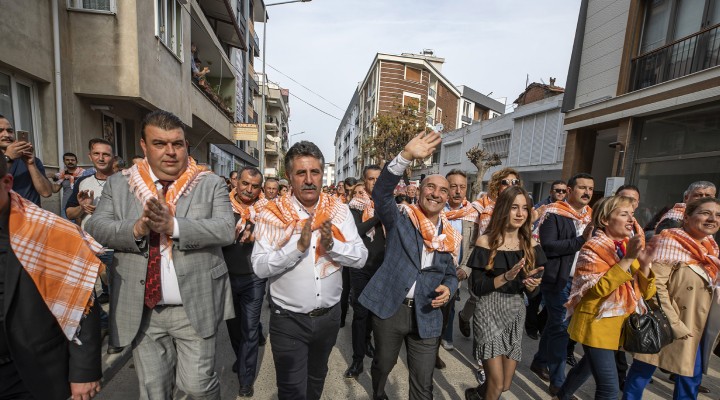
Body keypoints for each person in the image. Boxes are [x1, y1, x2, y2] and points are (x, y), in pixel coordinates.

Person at [85, 110, 235, 399]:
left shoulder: (208, 183)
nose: (170, 152)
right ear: (143, 146)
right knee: (154, 391)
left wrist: (173, 226)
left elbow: (226, 229)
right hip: (143, 310)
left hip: (195, 303)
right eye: (159, 143)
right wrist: (138, 228)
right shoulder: (121, 184)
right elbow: (97, 225)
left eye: (177, 144)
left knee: (197, 386)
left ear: (185, 146)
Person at [251, 140, 368, 400]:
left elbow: (360, 257)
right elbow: (259, 267)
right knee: (292, 390)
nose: (309, 180)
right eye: (301, 173)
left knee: (316, 381)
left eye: (314, 172)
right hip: (288, 320)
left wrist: (332, 245)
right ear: (289, 177)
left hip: (328, 319)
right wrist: (296, 248)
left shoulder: (338, 210)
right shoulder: (272, 213)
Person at [359, 131, 459, 400]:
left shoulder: (449, 236)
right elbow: (380, 193)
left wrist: (449, 289)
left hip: (427, 314)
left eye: (443, 190)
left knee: (423, 383)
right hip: (391, 309)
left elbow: (451, 274)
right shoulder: (401, 218)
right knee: (382, 365)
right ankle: (378, 394)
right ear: (420, 190)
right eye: (430, 187)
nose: (436, 194)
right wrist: (404, 157)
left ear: (447, 198)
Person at [0, 155, 104, 400]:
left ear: (7, 182)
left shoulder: (49, 231)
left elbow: (81, 304)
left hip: (31, 374)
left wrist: (84, 371)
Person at [554, 195, 656, 400]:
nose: (631, 220)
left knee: (586, 368)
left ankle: (560, 396)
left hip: (619, 325)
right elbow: (599, 289)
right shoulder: (592, 248)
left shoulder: (628, 246)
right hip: (596, 325)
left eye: (632, 215)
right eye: (624, 214)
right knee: (609, 390)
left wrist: (644, 264)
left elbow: (647, 293)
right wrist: (628, 260)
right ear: (605, 220)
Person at [623, 197, 720, 400]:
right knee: (641, 374)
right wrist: (674, 323)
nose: (712, 218)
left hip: (697, 325)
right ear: (686, 218)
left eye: (717, 215)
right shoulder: (670, 242)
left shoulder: (711, 249)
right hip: (666, 323)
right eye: (705, 213)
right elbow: (656, 286)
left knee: (690, 380)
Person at [465, 186, 546, 400]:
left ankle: (474, 395)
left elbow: (535, 292)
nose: (520, 214)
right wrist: (506, 277)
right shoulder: (486, 241)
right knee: (496, 384)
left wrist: (532, 287)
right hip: (488, 312)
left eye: (525, 209)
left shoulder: (531, 244)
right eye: (514, 208)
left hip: (515, 312)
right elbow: (477, 288)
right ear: (503, 210)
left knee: (505, 385)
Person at [530, 173, 594, 395]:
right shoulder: (554, 213)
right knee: (562, 327)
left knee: (555, 325)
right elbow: (547, 246)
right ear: (569, 190)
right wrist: (580, 241)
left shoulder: (592, 217)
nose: (587, 192)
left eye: (590, 189)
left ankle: (539, 361)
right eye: (582, 188)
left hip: (581, 281)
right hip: (558, 279)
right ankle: (558, 381)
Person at [65, 139, 117, 347]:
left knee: (116, 294)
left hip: (115, 247)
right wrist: (82, 208)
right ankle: (103, 324)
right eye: (97, 154)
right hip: (89, 246)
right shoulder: (83, 183)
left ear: (112, 157)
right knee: (89, 293)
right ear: (90, 156)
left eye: (105, 154)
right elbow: (69, 213)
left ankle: (117, 334)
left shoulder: (122, 181)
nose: (101, 158)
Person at [223, 166, 269, 397]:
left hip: (254, 279)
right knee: (233, 328)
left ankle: (246, 378)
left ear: (260, 189)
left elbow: (275, 237)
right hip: (226, 278)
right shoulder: (220, 207)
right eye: (245, 184)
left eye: (254, 186)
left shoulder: (266, 210)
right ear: (236, 182)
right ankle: (242, 358)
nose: (249, 190)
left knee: (250, 329)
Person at [345, 166, 386, 380]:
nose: (375, 183)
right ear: (365, 181)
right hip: (360, 267)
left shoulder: (389, 204)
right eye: (371, 179)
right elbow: (355, 232)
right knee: (360, 314)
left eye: (379, 179)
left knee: (374, 313)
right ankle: (357, 359)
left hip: (382, 266)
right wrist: (377, 218)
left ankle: (368, 341)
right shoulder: (354, 206)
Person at [438, 169, 477, 366]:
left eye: (462, 187)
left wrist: (466, 268)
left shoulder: (472, 214)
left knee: (450, 304)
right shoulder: (436, 208)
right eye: (453, 186)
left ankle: (445, 335)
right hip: (435, 266)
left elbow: (474, 245)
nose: (458, 191)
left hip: (457, 269)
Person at [0, 114, 52, 206]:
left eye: (10, 131)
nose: (7, 135)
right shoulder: (7, 159)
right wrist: (8, 158)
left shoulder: (33, 161)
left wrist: (31, 164)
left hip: (30, 218)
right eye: (0, 131)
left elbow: (46, 192)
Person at [51, 152, 91, 219]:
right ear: (64, 161)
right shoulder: (62, 175)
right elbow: (55, 189)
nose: (70, 162)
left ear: (76, 161)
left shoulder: (84, 173)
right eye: (67, 160)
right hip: (67, 208)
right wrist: (45, 178)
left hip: (82, 207)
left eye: (72, 160)